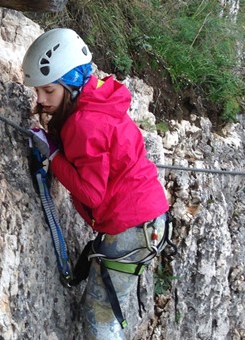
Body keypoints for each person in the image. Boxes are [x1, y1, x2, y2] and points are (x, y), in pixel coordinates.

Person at [21, 28, 170, 339]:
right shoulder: (98, 100)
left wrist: (54, 156)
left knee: (99, 318)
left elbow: (91, 191)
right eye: (38, 92)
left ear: (71, 83)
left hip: (131, 227)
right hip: (145, 220)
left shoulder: (85, 122)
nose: (41, 99)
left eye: (48, 90)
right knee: (106, 311)